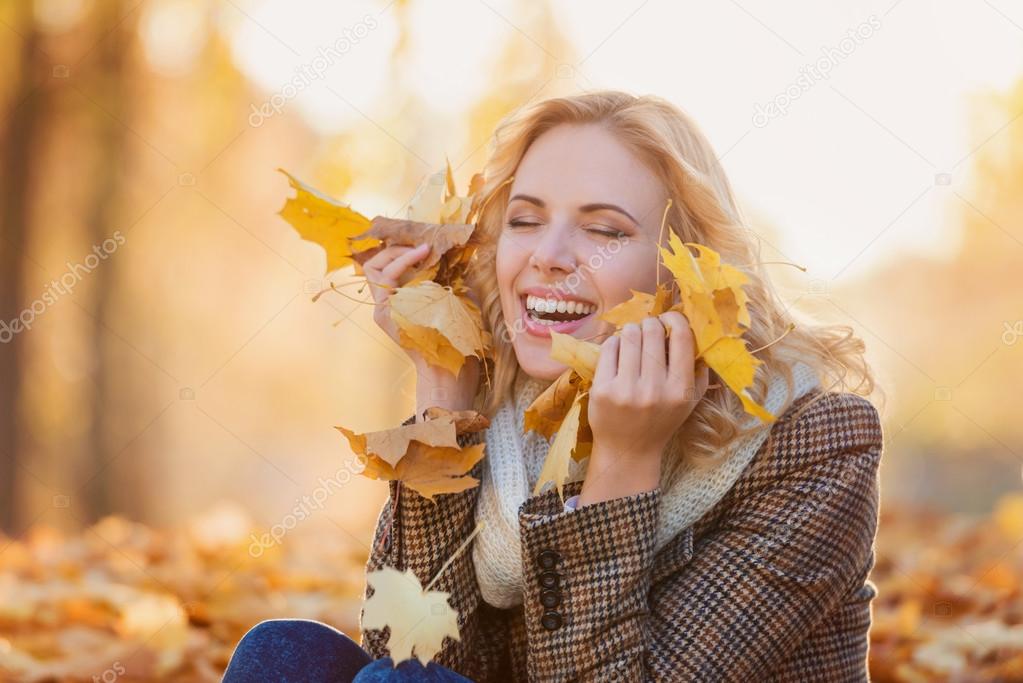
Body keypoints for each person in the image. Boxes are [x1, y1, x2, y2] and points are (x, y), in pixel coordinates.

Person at [229, 89, 884, 682]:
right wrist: (443, 394)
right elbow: (415, 651)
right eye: (524, 219)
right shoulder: (507, 400)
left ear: (685, 268)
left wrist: (622, 464)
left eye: (604, 230)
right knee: (282, 657)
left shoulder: (813, 439)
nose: (548, 253)